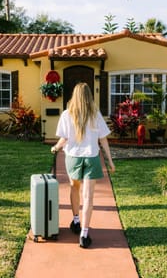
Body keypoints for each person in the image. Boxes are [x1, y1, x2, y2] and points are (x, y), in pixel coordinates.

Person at [51, 83, 115, 248]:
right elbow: (103, 139)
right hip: (92, 158)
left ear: (75, 95)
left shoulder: (67, 114)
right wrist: (110, 160)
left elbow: (63, 138)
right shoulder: (95, 114)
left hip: (73, 158)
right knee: (88, 197)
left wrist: (56, 147)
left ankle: (76, 221)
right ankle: (84, 235)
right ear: (89, 96)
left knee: (74, 188)